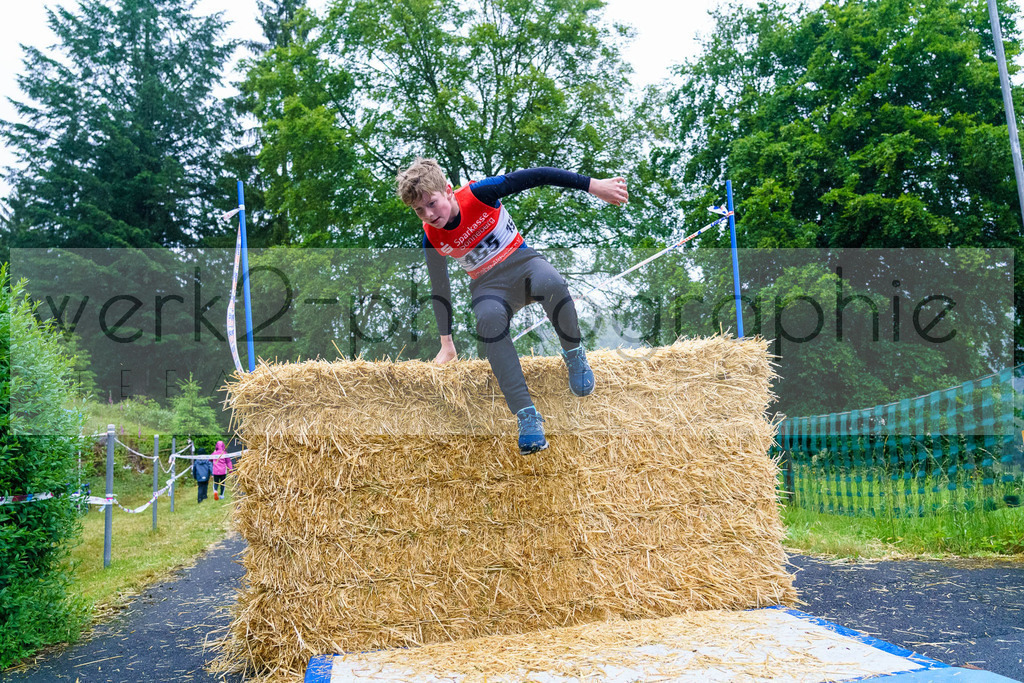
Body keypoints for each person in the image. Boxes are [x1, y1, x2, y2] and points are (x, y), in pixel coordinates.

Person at [396, 158, 628, 454]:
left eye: (432, 203)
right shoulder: (432, 238)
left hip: (524, 264)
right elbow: (439, 287)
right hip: (489, 286)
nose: (428, 214)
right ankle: (527, 417)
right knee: (488, 323)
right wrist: (447, 344)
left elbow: (537, 175)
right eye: (419, 211)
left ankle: (574, 354)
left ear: (449, 190)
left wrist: (593, 186)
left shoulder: (480, 194)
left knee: (552, 283)